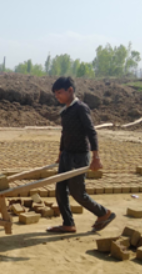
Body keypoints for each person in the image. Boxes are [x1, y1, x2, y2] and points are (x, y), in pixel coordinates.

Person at [47, 76, 115, 233]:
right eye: (55, 93)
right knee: (60, 190)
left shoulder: (81, 108)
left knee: (77, 193)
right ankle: (68, 224)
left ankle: (104, 213)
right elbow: (65, 134)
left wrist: (96, 157)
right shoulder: (65, 111)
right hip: (67, 155)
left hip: (79, 156)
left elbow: (91, 132)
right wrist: (60, 153)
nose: (57, 96)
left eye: (59, 92)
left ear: (70, 90)